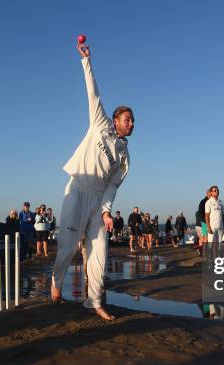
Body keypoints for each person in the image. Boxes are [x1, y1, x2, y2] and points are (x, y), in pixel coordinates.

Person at [50, 39, 134, 321]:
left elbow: (113, 185)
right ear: (115, 120)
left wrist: (107, 210)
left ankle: (94, 301)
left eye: (133, 121)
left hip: (98, 201)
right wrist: (86, 60)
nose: (132, 124)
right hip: (77, 188)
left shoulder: (125, 157)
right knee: (69, 246)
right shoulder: (99, 123)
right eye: (128, 119)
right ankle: (56, 284)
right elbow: (93, 93)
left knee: (100, 253)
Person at [205, 185, 224, 258]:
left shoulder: (221, 202)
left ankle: (219, 259)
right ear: (211, 193)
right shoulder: (208, 202)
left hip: (220, 226)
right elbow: (206, 216)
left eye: (217, 190)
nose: (216, 191)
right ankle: (210, 260)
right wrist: (208, 227)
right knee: (211, 245)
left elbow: (223, 215)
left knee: (219, 245)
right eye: (214, 190)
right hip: (212, 227)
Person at [196, 189, 211, 256]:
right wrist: (204, 223)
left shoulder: (212, 201)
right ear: (207, 194)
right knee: (205, 238)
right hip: (204, 224)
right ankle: (203, 252)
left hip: (207, 223)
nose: (211, 195)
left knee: (203, 238)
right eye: (210, 193)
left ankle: (201, 250)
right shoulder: (203, 202)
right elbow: (201, 214)